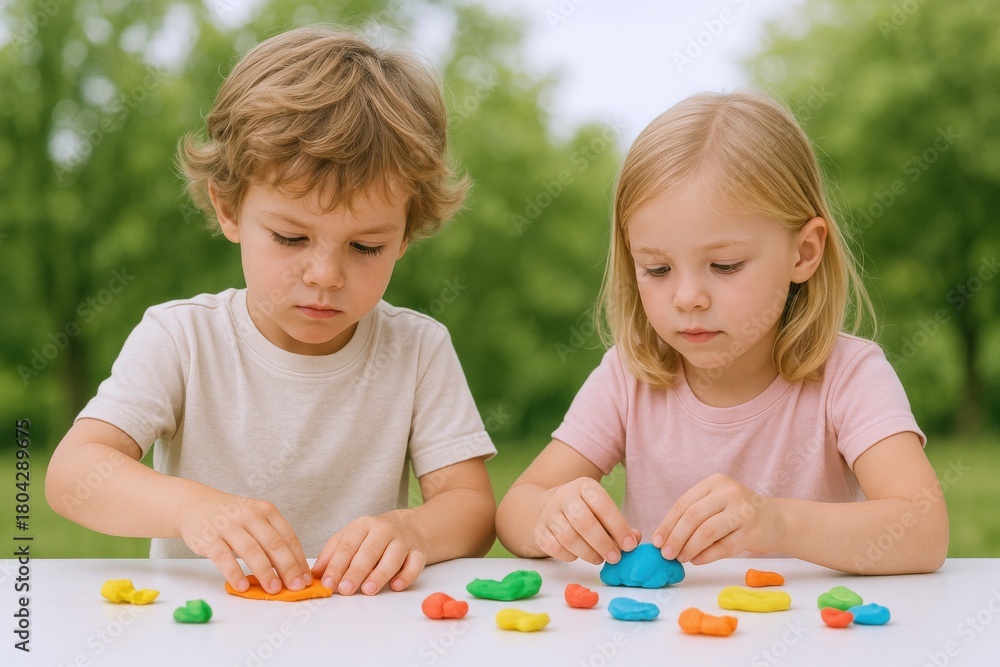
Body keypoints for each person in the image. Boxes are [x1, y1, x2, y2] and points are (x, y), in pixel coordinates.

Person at [45, 26, 497, 597]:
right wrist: (193, 509)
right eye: (290, 237)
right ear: (229, 207)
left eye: (365, 247)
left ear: (405, 235)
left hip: (362, 634)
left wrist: (411, 530)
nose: (326, 276)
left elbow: (472, 509)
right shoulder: (182, 337)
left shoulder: (417, 350)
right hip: (201, 634)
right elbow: (72, 474)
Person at [495, 91, 948, 575]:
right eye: (657, 268)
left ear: (804, 253)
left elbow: (923, 532)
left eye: (724, 265)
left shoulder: (849, 376)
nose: (688, 297)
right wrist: (551, 515)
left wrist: (777, 523)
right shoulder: (627, 381)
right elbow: (514, 510)